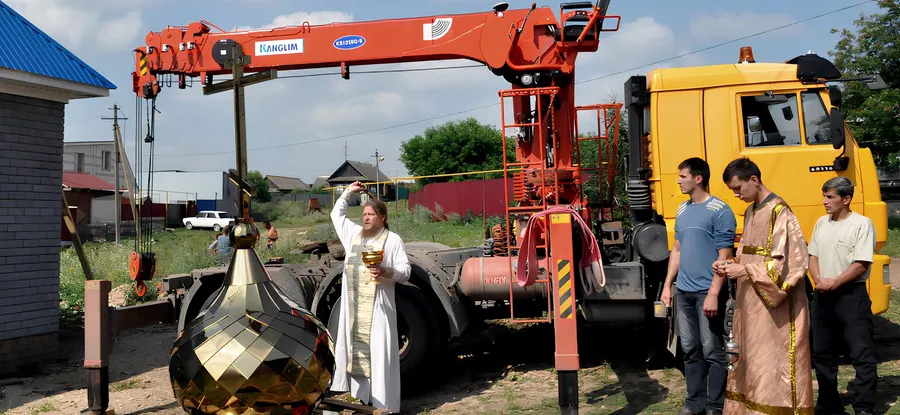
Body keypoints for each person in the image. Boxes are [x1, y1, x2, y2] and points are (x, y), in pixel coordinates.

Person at [713, 157, 814, 414]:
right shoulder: (750, 211)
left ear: (754, 180)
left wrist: (743, 269)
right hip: (751, 305)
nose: (736, 195)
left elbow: (791, 266)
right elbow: (749, 255)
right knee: (753, 362)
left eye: (738, 188)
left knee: (774, 364)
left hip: (775, 310)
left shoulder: (781, 212)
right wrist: (729, 263)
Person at [660, 158, 736, 415]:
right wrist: (668, 285)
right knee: (690, 349)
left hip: (707, 292)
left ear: (698, 178)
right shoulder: (682, 209)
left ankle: (715, 405)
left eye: (683, 176)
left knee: (712, 350)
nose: (679, 180)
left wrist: (714, 293)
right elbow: (677, 250)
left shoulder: (720, 210)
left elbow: (724, 256)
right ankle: (694, 403)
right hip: (684, 292)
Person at [329, 180, 410, 414]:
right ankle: (367, 401)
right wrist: (348, 192)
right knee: (359, 355)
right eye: (364, 214)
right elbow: (337, 213)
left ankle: (386, 406)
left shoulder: (393, 240)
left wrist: (386, 272)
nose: (365, 218)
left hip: (379, 307)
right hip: (355, 309)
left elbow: (406, 272)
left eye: (371, 214)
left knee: (381, 353)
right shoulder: (354, 235)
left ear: (382, 217)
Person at [808, 177, 877, 415]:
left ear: (846, 199)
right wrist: (818, 280)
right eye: (824, 196)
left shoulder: (862, 224)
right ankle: (828, 403)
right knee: (822, 353)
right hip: (823, 297)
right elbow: (812, 256)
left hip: (850, 295)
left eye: (830, 197)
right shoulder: (821, 223)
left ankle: (864, 407)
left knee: (861, 353)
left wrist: (835, 282)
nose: (825, 201)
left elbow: (861, 264)